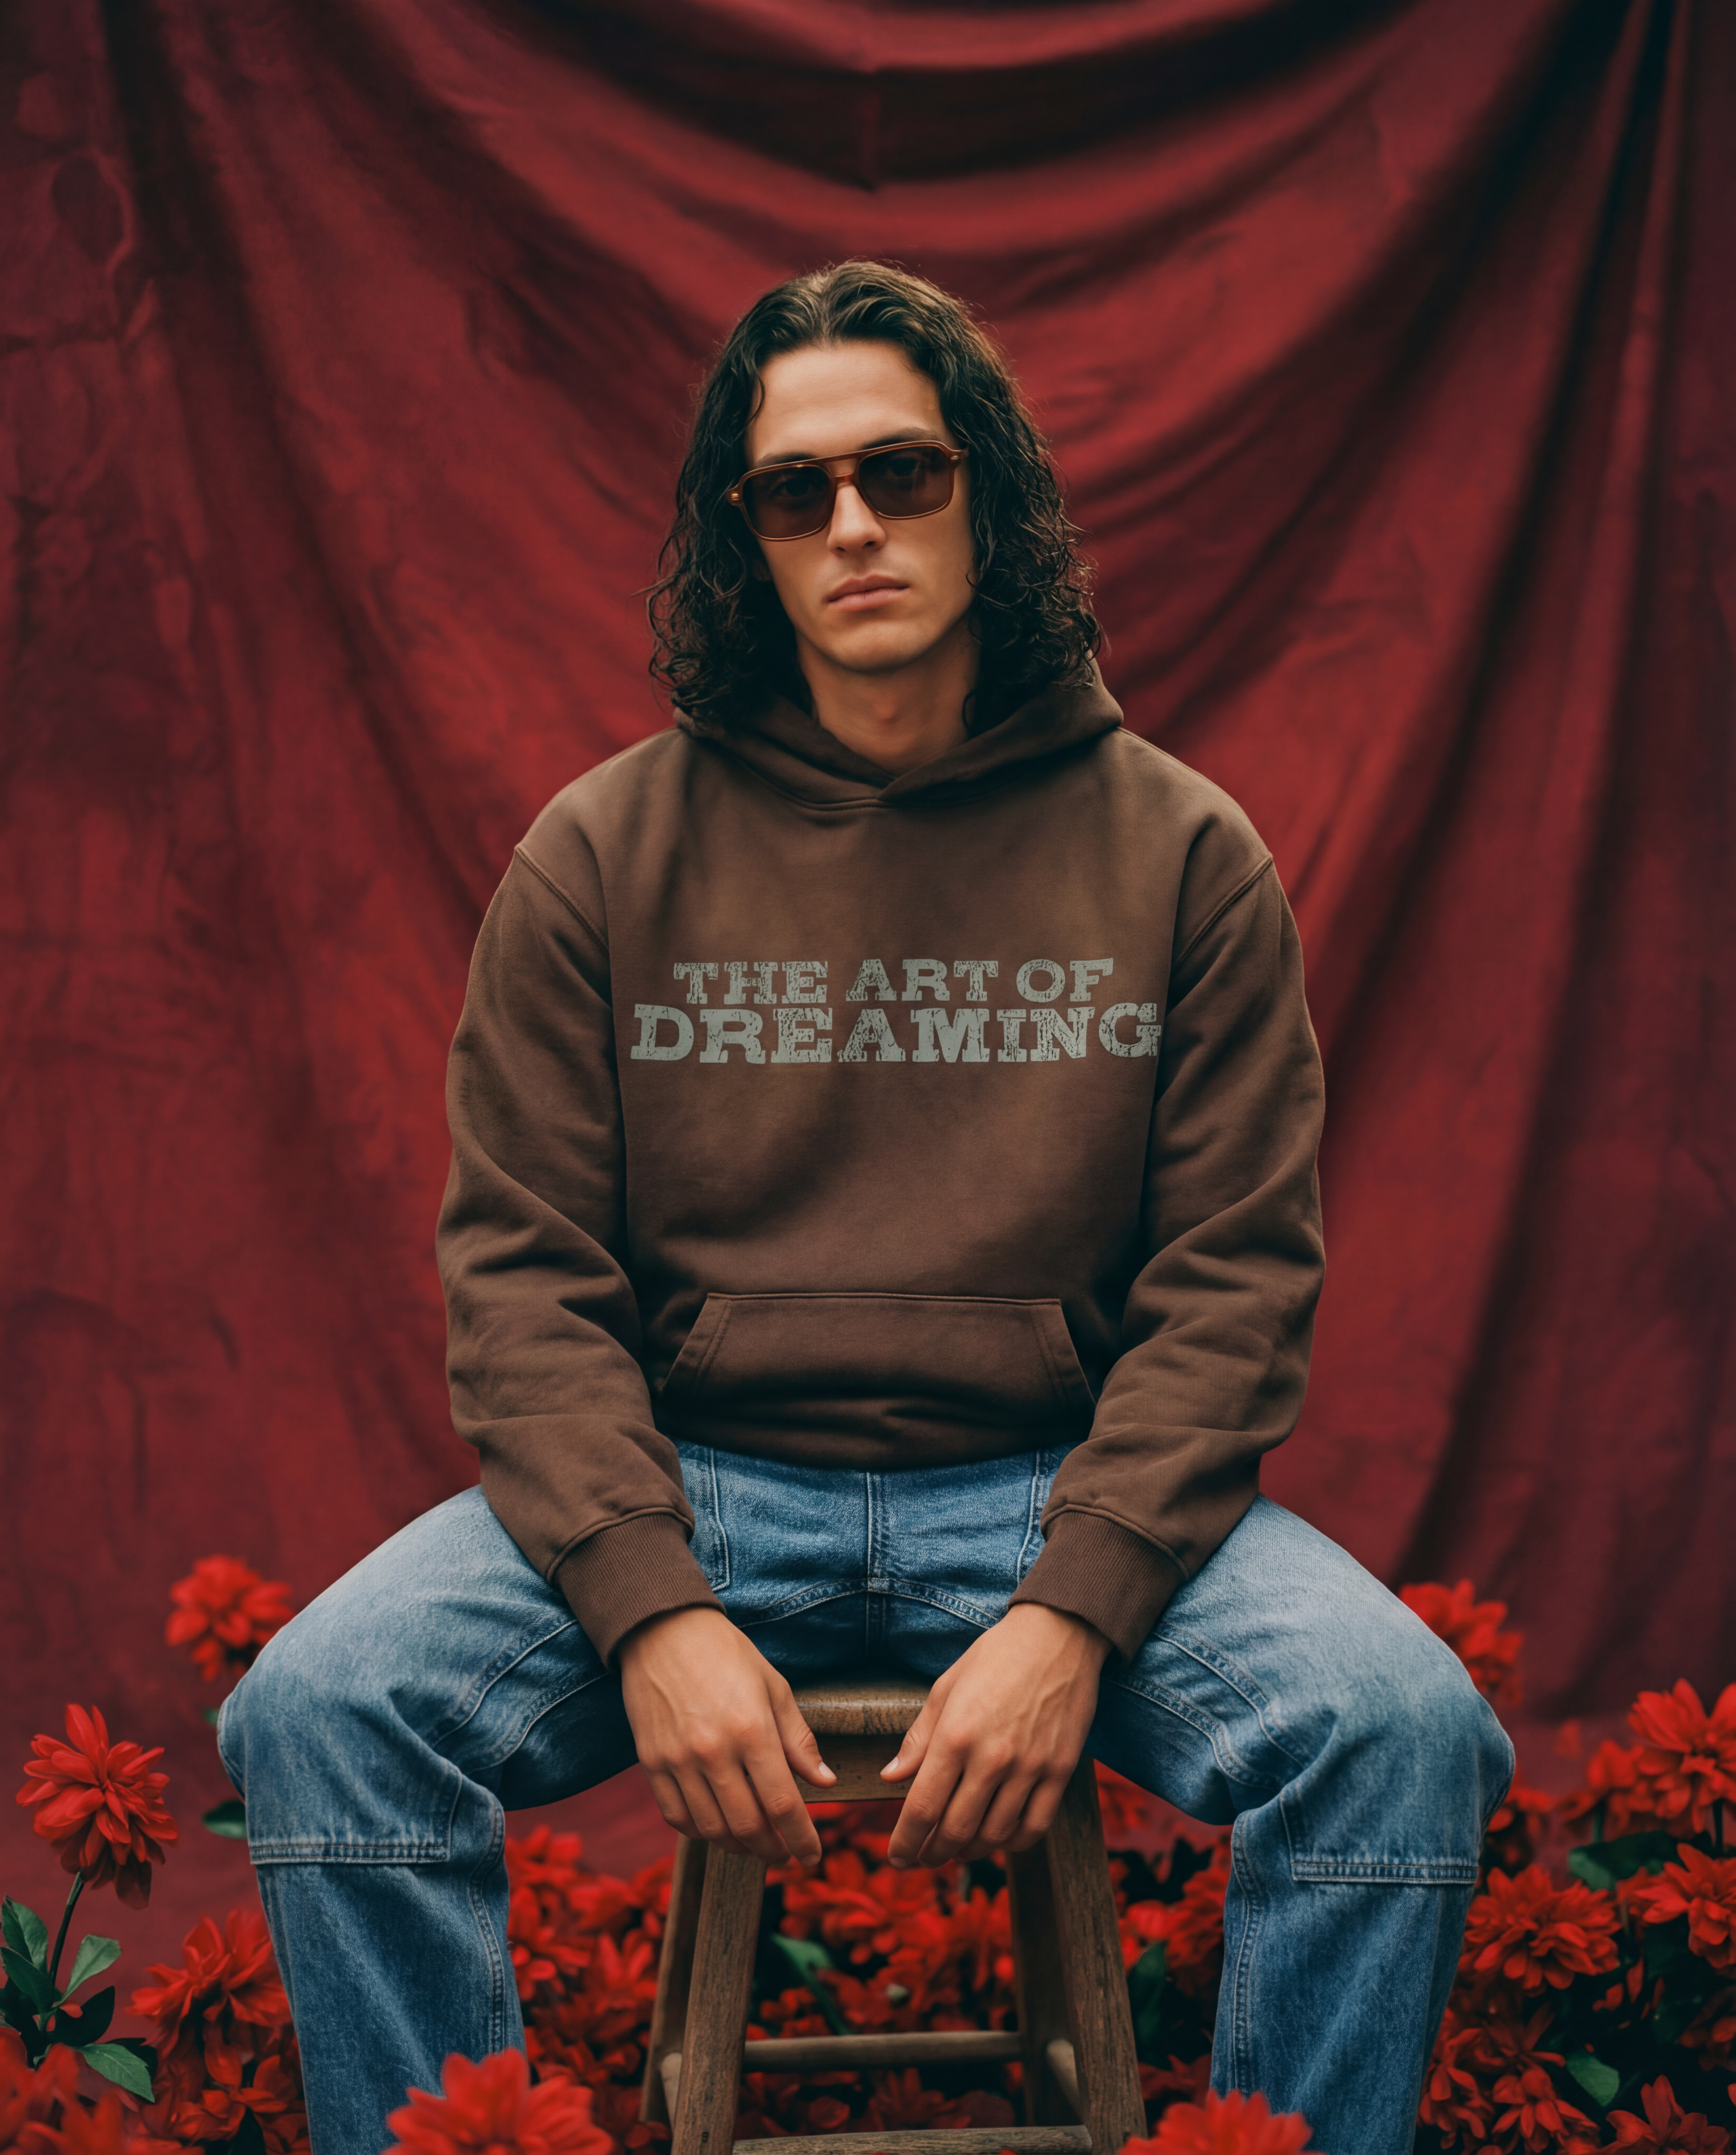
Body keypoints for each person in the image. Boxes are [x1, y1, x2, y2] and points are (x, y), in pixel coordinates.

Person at [219, 260, 1513, 2155]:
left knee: (1397, 1730)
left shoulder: (1178, 853)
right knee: (319, 1706)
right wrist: (650, 1607)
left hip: (1050, 1477)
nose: (851, 525)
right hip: (705, 1474)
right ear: (742, 539)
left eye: (901, 475)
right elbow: (522, 1285)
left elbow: (1230, 1286)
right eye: (793, 491)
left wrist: (1077, 1612)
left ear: (985, 496)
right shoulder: (598, 857)